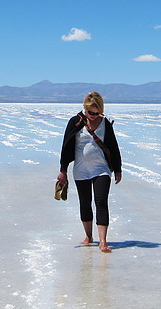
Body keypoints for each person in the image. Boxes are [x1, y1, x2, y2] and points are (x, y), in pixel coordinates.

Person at [57, 91, 122, 253]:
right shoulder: (75, 122)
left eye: (96, 112)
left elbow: (113, 146)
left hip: (101, 169)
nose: (92, 115)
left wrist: (118, 169)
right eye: (89, 112)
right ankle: (88, 236)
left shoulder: (105, 123)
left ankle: (103, 241)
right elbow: (65, 147)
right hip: (81, 170)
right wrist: (63, 170)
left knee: (101, 202)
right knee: (85, 203)